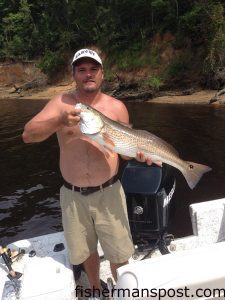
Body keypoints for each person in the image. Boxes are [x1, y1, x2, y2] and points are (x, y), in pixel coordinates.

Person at [22, 48, 152, 298]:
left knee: (119, 252)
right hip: (73, 196)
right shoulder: (60, 103)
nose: (88, 74)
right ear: (74, 75)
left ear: (102, 74)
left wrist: (140, 154)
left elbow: (124, 152)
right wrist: (59, 120)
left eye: (93, 69)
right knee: (85, 251)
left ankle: (123, 292)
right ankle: (95, 288)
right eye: (81, 70)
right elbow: (28, 135)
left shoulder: (117, 107)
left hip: (109, 192)